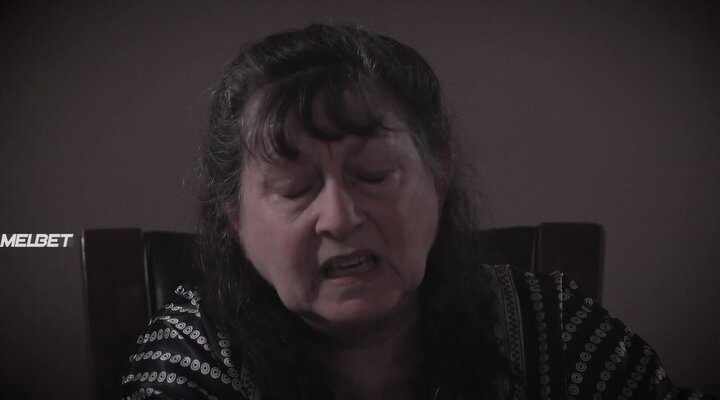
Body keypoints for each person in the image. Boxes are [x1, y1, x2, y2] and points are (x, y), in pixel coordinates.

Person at [120, 24, 709, 400]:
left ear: (438, 177)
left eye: (374, 175)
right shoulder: (193, 355)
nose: (339, 218)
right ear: (234, 218)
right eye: (295, 189)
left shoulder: (547, 325)